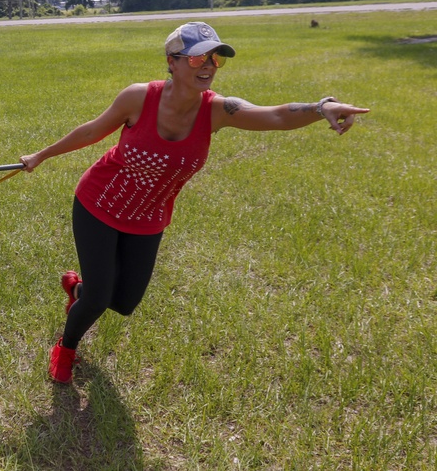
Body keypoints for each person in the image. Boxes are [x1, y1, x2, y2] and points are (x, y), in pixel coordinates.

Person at [20, 21, 370, 383]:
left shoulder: (218, 110)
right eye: (198, 57)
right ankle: (66, 346)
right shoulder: (139, 97)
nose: (208, 66)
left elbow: (277, 115)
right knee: (96, 300)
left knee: (123, 303)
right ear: (172, 61)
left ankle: (78, 289)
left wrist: (322, 106)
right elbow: (93, 130)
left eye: (216, 59)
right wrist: (41, 155)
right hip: (100, 204)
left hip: (148, 217)